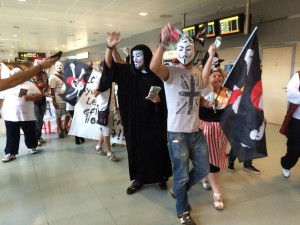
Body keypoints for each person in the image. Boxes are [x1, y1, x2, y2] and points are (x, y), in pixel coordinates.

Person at [150, 23, 216, 225]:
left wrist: (211, 55)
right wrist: (163, 44)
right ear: (176, 51)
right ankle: (182, 211)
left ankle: (179, 192)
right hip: (177, 134)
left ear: (194, 51)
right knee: (181, 175)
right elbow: (154, 67)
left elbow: (202, 85)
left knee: (203, 169)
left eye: (189, 48)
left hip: (196, 132)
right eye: (182, 48)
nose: (185, 51)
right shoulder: (171, 72)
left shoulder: (195, 72)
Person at [102, 32, 172, 194]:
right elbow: (110, 65)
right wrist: (110, 47)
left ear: (147, 57)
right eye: (133, 56)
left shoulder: (157, 74)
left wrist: (159, 101)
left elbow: (167, 95)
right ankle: (139, 178)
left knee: (157, 148)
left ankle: (160, 176)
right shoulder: (127, 72)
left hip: (154, 119)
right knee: (136, 149)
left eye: (139, 56)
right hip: (133, 121)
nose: (135, 59)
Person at [199, 67, 228, 210]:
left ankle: (205, 177)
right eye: (214, 76)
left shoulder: (227, 92)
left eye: (219, 75)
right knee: (212, 160)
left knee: (217, 156)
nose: (217, 78)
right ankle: (217, 194)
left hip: (222, 130)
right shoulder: (203, 93)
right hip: (207, 129)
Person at [227, 61, 263, 174]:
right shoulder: (243, 81)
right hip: (241, 117)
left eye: (261, 66)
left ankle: (248, 164)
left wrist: (261, 115)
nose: (261, 68)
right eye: (259, 66)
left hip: (254, 116)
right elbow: (236, 99)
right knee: (239, 141)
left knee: (252, 141)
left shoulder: (257, 81)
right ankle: (231, 161)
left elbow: (258, 100)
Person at [0, 68, 42, 162]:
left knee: (30, 132)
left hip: (27, 115)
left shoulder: (30, 85)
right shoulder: (6, 86)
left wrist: (29, 98)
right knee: (11, 134)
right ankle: (11, 153)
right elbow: (1, 99)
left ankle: (32, 146)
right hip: (10, 115)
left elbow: (39, 95)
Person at [93, 61, 118, 161]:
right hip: (103, 109)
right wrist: (103, 85)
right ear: (101, 69)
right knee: (106, 131)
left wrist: (116, 106)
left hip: (111, 108)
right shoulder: (99, 79)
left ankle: (98, 146)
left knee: (105, 129)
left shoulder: (111, 80)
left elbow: (113, 94)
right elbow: (94, 93)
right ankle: (109, 153)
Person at [281, 71, 300, 178]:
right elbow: (292, 93)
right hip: (298, 120)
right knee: (295, 148)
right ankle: (286, 165)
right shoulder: (298, 75)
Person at [49, 61, 70, 138]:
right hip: (58, 100)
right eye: (57, 65)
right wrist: (54, 100)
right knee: (59, 115)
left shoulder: (65, 75)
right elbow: (52, 90)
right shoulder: (53, 77)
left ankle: (64, 127)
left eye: (61, 65)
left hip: (67, 99)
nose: (59, 66)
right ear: (55, 66)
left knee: (68, 114)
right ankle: (60, 130)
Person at [31, 65, 49, 146]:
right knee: (37, 120)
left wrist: (46, 91)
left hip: (43, 99)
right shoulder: (30, 77)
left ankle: (38, 136)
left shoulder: (44, 76)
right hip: (34, 101)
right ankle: (36, 138)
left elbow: (47, 86)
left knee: (41, 120)